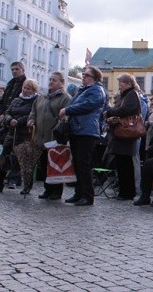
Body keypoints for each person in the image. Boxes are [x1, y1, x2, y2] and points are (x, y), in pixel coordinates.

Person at [60, 66, 107, 206]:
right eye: (83, 74)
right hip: (77, 129)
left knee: (83, 164)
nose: (83, 76)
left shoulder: (97, 90)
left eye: (86, 75)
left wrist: (68, 110)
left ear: (94, 78)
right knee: (77, 163)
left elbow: (87, 105)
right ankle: (79, 193)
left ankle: (88, 195)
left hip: (87, 131)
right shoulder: (83, 90)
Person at [28, 72, 71, 199]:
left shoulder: (65, 98)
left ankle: (56, 191)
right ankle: (47, 190)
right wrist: (31, 120)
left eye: (54, 80)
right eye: (50, 79)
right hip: (40, 137)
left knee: (55, 165)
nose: (51, 82)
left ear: (61, 83)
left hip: (54, 137)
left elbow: (67, 116)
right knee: (44, 165)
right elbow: (33, 112)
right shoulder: (41, 97)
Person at [0, 78, 39, 192]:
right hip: (11, 133)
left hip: (25, 134)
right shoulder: (16, 100)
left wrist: (18, 121)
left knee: (23, 160)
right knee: (3, 157)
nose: (25, 90)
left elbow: (32, 115)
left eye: (28, 88)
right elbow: (8, 112)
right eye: (24, 87)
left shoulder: (36, 102)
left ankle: (25, 186)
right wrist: (9, 120)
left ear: (33, 90)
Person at [104, 73, 142, 201]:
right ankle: (124, 191)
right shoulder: (125, 95)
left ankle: (127, 192)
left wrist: (110, 112)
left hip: (127, 133)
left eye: (121, 83)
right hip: (121, 134)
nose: (119, 86)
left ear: (128, 84)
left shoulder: (132, 94)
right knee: (121, 162)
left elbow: (125, 109)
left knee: (126, 163)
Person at [0, 61, 27, 188]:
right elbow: (4, 102)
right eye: (12, 69)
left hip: (18, 124)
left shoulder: (25, 83)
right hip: (6, 122)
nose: (14, 71)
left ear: (22, 69)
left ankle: (14, 179)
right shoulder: (10, 83)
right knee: (5, 151)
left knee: (17, 152)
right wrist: (1, 115)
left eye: (16, 69)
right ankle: (2, 179)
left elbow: (25, 105)